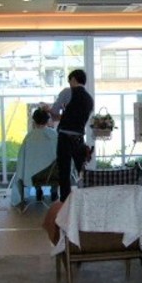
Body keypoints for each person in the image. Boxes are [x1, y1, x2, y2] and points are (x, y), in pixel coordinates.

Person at [42, 69, 94, 202]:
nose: (69, 83)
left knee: (64, 172)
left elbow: (55, 111)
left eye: (70, 80)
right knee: (81, 170)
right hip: (79, 138)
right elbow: (76, 117)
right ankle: (85, 198)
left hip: (65, 137)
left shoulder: (67, 92)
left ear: (74, 79)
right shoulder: (89, 99)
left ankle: (65, 202)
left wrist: (47, 109)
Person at [9, 108, 58, 206]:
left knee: (35, 167)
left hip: (33, 177)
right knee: (55, 167)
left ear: (34, 121)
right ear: (47, 120)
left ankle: (38, 191)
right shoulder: (54, 135)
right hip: (52, 176)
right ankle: (54, 192)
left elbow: (21, 160)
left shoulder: (29, 137)